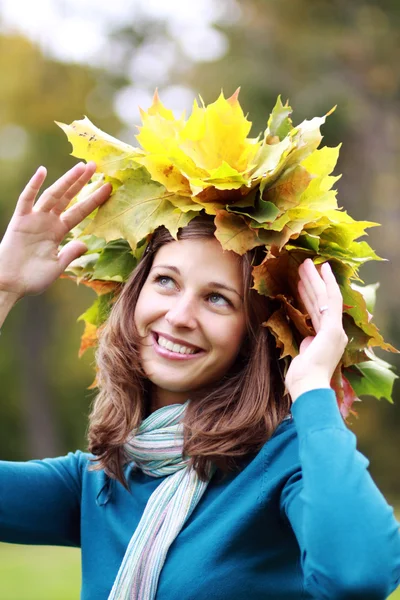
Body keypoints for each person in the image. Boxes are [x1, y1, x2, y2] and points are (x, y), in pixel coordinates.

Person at [0, 161, 399, 600]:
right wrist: (3, 288)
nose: (179, 316)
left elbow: (361, 574)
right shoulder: (104, 477)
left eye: (217, 298)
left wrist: (313, 391)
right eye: (166, 281)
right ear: (136, 295)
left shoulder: (286, 462)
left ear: (256, 334)